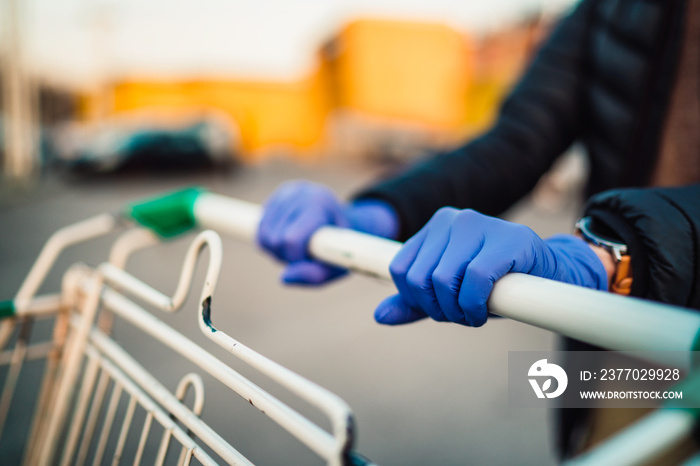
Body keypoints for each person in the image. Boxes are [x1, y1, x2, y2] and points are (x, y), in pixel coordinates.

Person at [256, 0, 700, 458]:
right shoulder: (610, 11)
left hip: (636, 281)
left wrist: (612, 252)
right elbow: (516, 140)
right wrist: (378, 212)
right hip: (628, 329)